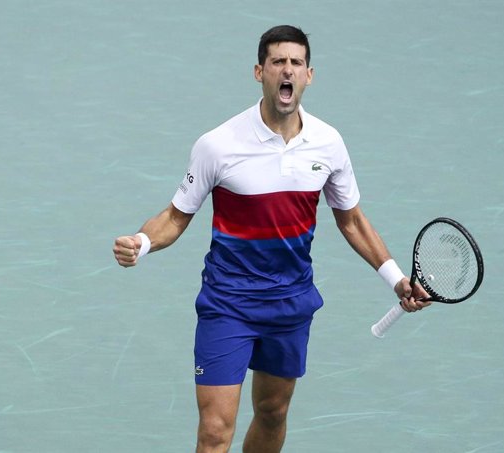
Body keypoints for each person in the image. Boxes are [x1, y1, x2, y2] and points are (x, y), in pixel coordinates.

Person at [113, 25, 431, 453]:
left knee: (273, 412)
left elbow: (352, 221)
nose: (288, 71)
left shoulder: (329, 144)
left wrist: (396, 280)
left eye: (296, 63)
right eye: (278, 62)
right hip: (229, 303)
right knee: (213, 433)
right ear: (259, 72)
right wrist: (141, 242)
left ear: (309, 75)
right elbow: (175, 216)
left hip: (290, 303)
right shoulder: (218, 145)